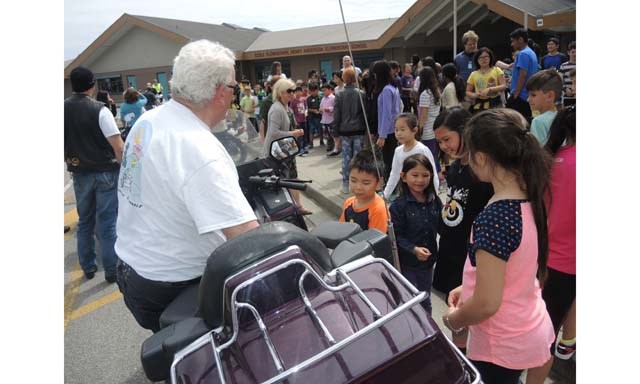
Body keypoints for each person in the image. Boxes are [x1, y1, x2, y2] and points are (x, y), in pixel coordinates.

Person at [115, 40, 260, 333]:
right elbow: (249, 240)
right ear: (222, 93)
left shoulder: (148, 120)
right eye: (233, 87)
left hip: (134, 270)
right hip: (175, 284)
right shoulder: (199, 148)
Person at [443, 108, 554, 384]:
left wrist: (453, 321)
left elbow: (487, 303)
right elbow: (516, 268)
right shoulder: (530, 196)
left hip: (501, 346)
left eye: (470, 156)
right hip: (531, 326)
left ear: (481, 158)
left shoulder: (496, 217)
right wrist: (468, 286)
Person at [528, 106, 576, 382]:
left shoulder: (551, 160)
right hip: (569, 261)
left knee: (544, 324)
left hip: (545, 256)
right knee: (547, 334)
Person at [65, 66, 124, 282]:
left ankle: (88, 267)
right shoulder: (100, 109)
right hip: (105, 171)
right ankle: (111, 271)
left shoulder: (62, 108)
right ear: (92, 85)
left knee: (85, 221)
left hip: (79, 172)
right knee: (108, 223)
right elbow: (118, 146)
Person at [432, 107, 493, 301]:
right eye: (439, 141)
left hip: (469, 253)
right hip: (448, 246)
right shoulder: (456, 166)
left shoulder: (483, 171)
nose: (443, 146)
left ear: (465, 130)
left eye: (447, 139)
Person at [389, 154, 441, 314]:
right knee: (411, 301)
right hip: (407, 264)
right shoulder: (398, 206)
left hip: (428, 263)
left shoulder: (434, 200)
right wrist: (413, 249)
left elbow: (443, 225)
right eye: (415, 175)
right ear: (403, 177)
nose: (420, 180)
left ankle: (429, 331)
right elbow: (395, 237)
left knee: (425, 299)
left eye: (425, 175)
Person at [263, 78, 311, 215]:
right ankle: (291, 209)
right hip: (277, 152)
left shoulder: (286, 108)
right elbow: (272, 133)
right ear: (280, 93)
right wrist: (293, 133)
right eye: (289, 91)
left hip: (286, 150)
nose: (292, 93)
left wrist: (295, 132)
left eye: (293, 90)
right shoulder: (277, 109)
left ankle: (298, 207)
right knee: (285, 180)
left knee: (292, 179)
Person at [383, 113, 439, 199]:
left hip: (424, 192)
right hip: (407, 194)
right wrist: (385, 195)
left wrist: (435, 195)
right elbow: (394, 174)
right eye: (396, 130)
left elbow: (433, 173)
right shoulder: (398, 151)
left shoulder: (422, 149)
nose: (399, 133)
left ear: (414, 130)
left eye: (402, 130)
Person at [333, 67, 367, 195]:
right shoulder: (361, 93)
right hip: (359, 130)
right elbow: (365, 114)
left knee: (346, 158)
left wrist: (335, 133)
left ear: (344, 79)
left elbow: (336, 115)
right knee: (358, 157)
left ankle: (346, 183)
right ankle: (359, 183)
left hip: (345, 130)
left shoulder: (339, 94)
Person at [339, 150, 388, 233]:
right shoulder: (349, 203)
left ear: (379, 182)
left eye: (366, 183)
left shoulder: (379, 209)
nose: (358, 187)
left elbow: (375, 241)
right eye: (353, 181)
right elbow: (341, 231)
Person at [372, 60, 402, 183]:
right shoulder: (393, 87)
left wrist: (382, 135)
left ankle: (390, 188)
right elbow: (400, 107)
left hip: (387, 131)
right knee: (391, 160)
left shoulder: (385, 90)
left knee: (388, 161)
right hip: (393, 129)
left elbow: (386, 114)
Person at [506, 28, 538, 122]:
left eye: (513, 41)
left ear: (520, 39)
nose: (512, 44)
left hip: (520, 96)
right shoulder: (531, 53)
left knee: (514, 123)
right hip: (527, 95)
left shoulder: (523, 54)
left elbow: (523, 75)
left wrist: (515, 94)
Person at [526, 69, 563, 145]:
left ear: (550, 96)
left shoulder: (538, 121)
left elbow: (539, 152)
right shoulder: (561, 117)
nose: (528, 99)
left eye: (533, 95)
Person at [466, 47, 506, 113]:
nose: (483, 59)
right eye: (480, 57)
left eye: (486, 57)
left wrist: (490, 89)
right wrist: (475, 95)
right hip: (479, 104)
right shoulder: (473, 74)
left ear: (490, 57)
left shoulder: (497, 70)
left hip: (495, 103)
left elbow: (504, 86)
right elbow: (468, 91)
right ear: (477, 60)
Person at [416, 66, 442, 171]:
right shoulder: (436, 91)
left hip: (427, 130)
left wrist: (419, 129)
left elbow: (423, 115)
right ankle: (438, 176)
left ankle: (435, 180)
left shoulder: (425, 94)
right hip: (435, 127)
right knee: (434, 155)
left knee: (429, 157)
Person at [321, 84, 339, 156]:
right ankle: (331, 146)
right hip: (325, 119)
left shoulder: (333, 98)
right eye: (323, 91)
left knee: (334, 134)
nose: (324, 92)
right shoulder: (323, 98)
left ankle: (336, 148)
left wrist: (329, 109)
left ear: (329, 90)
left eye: (325, 90)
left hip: (331, 119)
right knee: (328, 134)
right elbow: (321, 106)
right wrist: (321, 109)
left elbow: (335, 107)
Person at [289, 86, 309, 154]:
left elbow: (306, 107)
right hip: (298, 121)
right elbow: (291, 112)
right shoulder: (293, 101)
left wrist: (306, 112)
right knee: (299, 135)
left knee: (305, 134)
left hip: (304, 119)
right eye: (297, 91)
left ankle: (305, 146)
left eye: (300, 91)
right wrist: (294, 121)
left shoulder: (303, 99)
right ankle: (300, 148)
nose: (298, 93)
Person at [559, 42, 576, 106]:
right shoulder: (563, 66)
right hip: (567, 97)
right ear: (568, 53)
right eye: (573, 52)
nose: (575, 54)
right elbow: (560, 80)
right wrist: (565, 88)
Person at [306, 83, 323, 148]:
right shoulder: (308, 99)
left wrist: (320, 111)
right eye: (312, 91)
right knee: (311, 130)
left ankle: (321, 141)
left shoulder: (320, 98)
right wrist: (314, 110)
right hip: (311, 117)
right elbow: (308, 108)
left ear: (317, 90)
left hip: (319, 117)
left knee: (320, 129)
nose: (314, 92)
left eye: (315, 91)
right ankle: (311, 143)